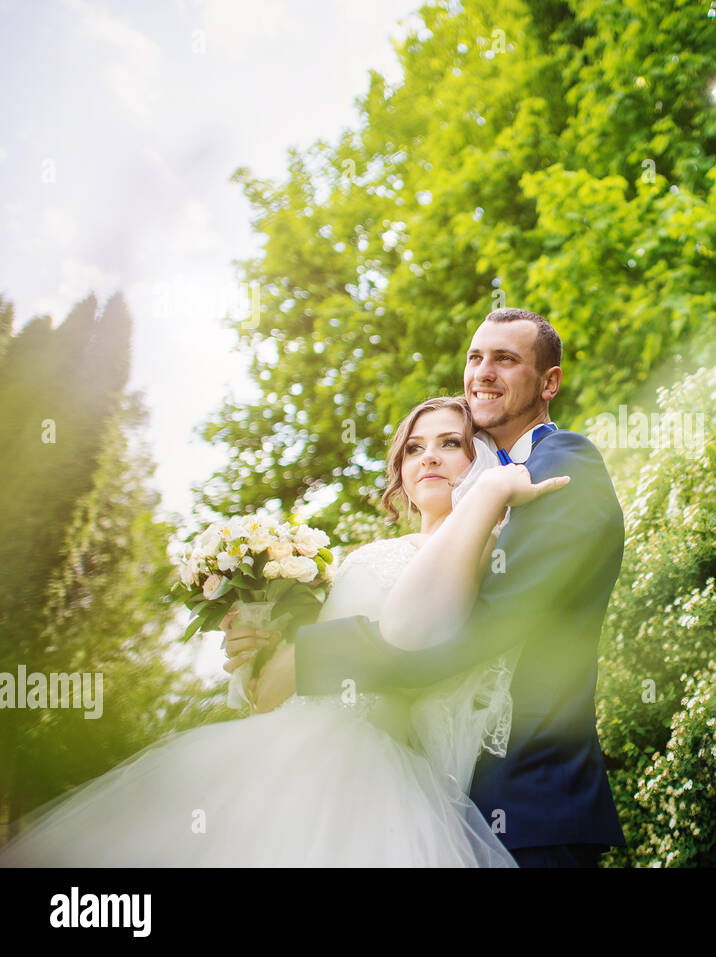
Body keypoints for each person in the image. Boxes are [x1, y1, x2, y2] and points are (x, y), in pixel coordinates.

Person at [0, 395, 563, 866]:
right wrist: (256, 654)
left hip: (368, 773)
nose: (428, 458)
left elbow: (416, 641)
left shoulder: (476, 551)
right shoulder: (357, 557)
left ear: (482, 460)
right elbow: (276, 694)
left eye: (450, 443)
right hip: (278, 753)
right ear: (399, 475)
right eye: (414, 448)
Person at [233, 308, 627, 867]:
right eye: (475, 357)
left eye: (506, 359)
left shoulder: (563, 463)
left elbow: (482, 626)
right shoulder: (477, 499)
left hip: (530, 797)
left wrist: (308, 659)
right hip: (439, 801)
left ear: (549, 382)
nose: (483, 372)